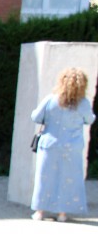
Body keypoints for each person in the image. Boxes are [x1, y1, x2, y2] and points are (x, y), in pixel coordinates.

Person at [31, 68, 95, 222]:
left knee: (45, 177)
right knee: (68, 178)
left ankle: (40, 211)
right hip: (72, 146)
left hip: (50, 145)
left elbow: (36, 116)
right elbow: (90, 120)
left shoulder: (51, 99)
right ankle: (62, 213)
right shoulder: (83, 103)